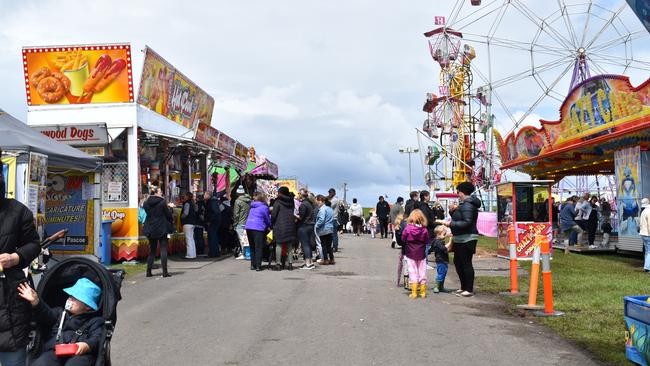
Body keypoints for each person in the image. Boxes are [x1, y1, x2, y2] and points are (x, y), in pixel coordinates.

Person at [0, 151, 41, 365]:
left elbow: (34, 244)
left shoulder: (17, 211)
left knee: (12, 356)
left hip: (10, 297)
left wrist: (15, 258)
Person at [18, 278, 103, 366]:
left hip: (79, 354)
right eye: (70, 296)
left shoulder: (95, 321)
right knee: (43, 362)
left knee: (76, 363)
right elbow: (46, 313)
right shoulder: (59, 313)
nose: (70, 299)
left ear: (87, 306)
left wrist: (87, 345)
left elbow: (97, 337)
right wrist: (36, 302)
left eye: (75, 298)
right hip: (55, 350)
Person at [437, 182, 480, 297]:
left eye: (458, 192)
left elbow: (467, 222)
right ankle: (463, 287)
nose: (457, 194)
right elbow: (460, 218)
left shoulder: (468, 205)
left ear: (462, 192)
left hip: (467, 238)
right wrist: (452, 212)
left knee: (466, 263)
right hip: (461, 238)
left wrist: (450, 224)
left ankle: (469, 289)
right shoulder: (465, 204)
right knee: (458, 262)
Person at [143, 187, 173, 278]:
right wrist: (170, 210)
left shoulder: (146, 202)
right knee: (163, 249)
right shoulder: (162, 202)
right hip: (161, 227)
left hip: (150, 227)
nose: (161, 193)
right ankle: (165, 272)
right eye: (160, 191)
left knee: (152, 250)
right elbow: (168, 215)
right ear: (156, 193)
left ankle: (148, 272)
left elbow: (147, 212)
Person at [401, 209, 430, 299]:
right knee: (422, 271)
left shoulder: (408, 228)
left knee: (412, 271)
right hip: (421, 253)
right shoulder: (424, 230)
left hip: (410, 253)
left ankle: (414, 293)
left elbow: (403, 238)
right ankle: (423, 292)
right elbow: (427, 240)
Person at [272, 187, 297, 270]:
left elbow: (274, 214)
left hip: (280, 226)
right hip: (290, 224)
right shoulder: (291, 201)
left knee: (279, 244)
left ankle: (278, 264)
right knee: (289, 245)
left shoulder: (278, 201)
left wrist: (272, 222)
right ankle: (290, 264)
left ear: (280, 193)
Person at [245, 192, 271, 271]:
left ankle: (253, 265)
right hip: (258, 228)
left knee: (252, 247)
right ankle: (258, 266)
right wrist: (270, 226)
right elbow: (267, 219)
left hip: (249, 227)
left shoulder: (252, 206)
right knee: (258, 247)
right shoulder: (264, 207)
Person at [297, 188, 316, 269]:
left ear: (301, 195)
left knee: (305, 245)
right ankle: (310, 262)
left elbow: (301, 217)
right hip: (310, 226)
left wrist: (294, 215)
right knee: (308, 244)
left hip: (304, 226)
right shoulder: (310, 204)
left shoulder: (303, 204)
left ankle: (307, 263)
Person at [315, 195, 335, 265]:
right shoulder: (330, 209)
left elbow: (321, 219)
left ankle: (325, 260)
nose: (316, 203)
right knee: (329, 245)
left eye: (317, 201)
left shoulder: (322, 209)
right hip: (330, 228)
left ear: (321, 201)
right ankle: (332, 259)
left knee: (324, 245)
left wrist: (316, 225)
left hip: (323, 229)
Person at [233, 187, 252, 260]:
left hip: (240, 223)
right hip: (249, 222)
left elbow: (236, 214)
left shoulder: (238, 201)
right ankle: (249, 253)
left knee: (242, 240)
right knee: (248, 239)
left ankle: (245, 254)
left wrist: (235, 224)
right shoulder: (249, 200)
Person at [432, 226, 452, 293]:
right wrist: (450, 242)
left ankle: (441, 287)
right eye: (444, 234)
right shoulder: (437, 241)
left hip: (444, 259)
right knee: (441, 273)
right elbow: (443, 248)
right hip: (440, 259)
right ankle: (436, 287)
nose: (445, 235)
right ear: (439, 234)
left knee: (444, 273)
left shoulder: (439, 240)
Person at [180, 192, 199, 259]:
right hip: (192, 223)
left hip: (187, 222)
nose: (183, 196)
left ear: (187, 196)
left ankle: (189, 255)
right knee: (191, 239)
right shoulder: (193, 203)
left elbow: (185, 213)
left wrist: (181, 216)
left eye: (184, 195)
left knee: (188, 239)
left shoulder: (187, 203)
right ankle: (193, 254)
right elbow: (196, 210)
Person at [205, 191, 221, 258]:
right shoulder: (213, 201)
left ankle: (213, 253)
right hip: (214, 221)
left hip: (213, 222)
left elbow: (215, 212)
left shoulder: (212, 202)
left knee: (212, 237)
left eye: (205, 194)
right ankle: (214, 252)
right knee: (213, 237)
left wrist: (210, 220)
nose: (204, 196)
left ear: (208, 195)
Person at [640, 197, 650, 272]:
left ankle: (646, 267)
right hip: (648, 234)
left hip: (643, 234)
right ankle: (648, 267)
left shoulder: (643, 212)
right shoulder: (649, 211)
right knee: (649, 251)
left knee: (647, 251)